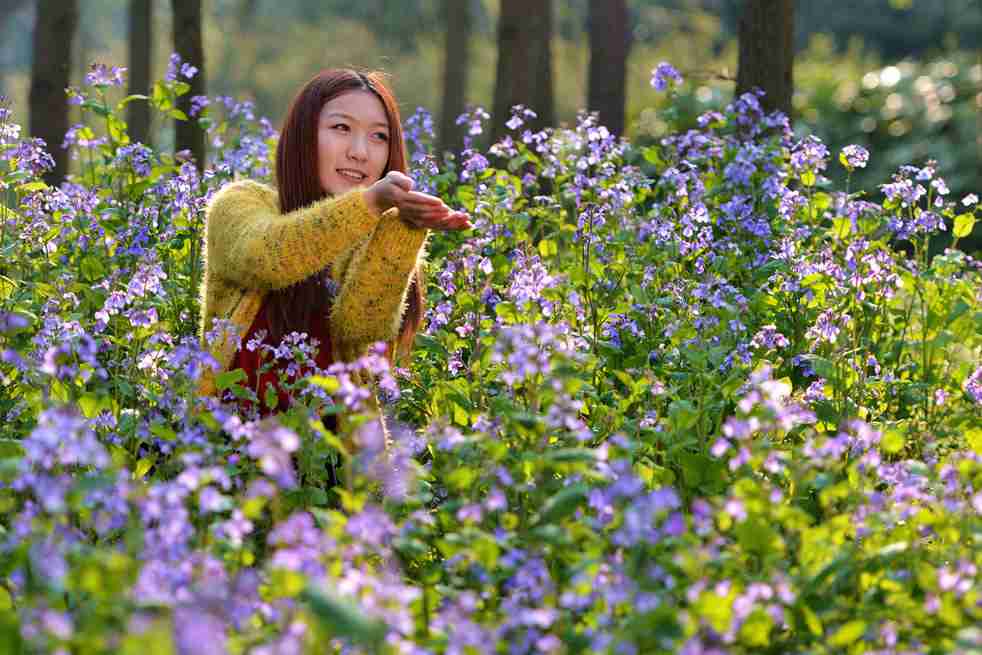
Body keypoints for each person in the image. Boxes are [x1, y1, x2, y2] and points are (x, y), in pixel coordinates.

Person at [197, 69, 470, 429]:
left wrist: (405, 229)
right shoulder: (239, 204)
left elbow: (361, 325)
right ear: (302, 137)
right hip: (228, 460)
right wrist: (369, 203)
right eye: (342, 128)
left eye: (379, 136)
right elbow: (266, 257)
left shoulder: (375, 233)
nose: (360, 152)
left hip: (333, 468)